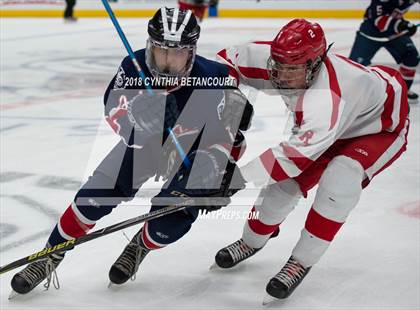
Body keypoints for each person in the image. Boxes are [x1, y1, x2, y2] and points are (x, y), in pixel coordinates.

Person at [10, 7, 253, 296]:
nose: (167, 62)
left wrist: (219, 170)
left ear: (191, 52)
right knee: (93, 197)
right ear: (150, 46)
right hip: (146, 146)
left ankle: (141, 244)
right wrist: (134, 117)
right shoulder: (133, 67)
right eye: (161, 51)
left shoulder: (215, 78)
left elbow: (231, 137)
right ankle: (50, 255)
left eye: (177, 53)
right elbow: (112, 109)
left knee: (169, 221)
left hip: (192, 154)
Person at [214, 19, 409, 301]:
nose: (281, 75)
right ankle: (251, 241)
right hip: (332, 125)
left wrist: (234, 180)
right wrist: (229, 94)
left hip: (378, 129)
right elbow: (225, 61)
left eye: (292, 69)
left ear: (316, 64)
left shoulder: (327, 97)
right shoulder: (277, 59)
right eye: (277, 65)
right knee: (279, 192)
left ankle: (301, 261)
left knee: (339, 182)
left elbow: (291, 159)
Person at [349, 0, 419, 103]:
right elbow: (379, 20)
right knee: (355, 67)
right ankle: (351, 94)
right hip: (370, 34)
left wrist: (402, 25)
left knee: (411, 56)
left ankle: (404, 90)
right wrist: (403, 25)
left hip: (394, 33)